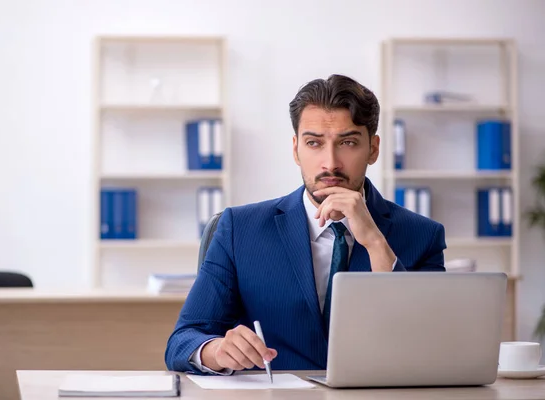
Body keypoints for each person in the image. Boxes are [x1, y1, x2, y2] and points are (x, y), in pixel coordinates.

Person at [165, 74, 446, 375]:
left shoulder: (422, 235)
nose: (331, 163)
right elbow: (182, 340)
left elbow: (428, 347)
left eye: (348, 142)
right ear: (296, 149)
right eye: (314, 143)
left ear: (373, 149)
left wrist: (376, 243)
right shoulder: (240, 229)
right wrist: (215, 351)